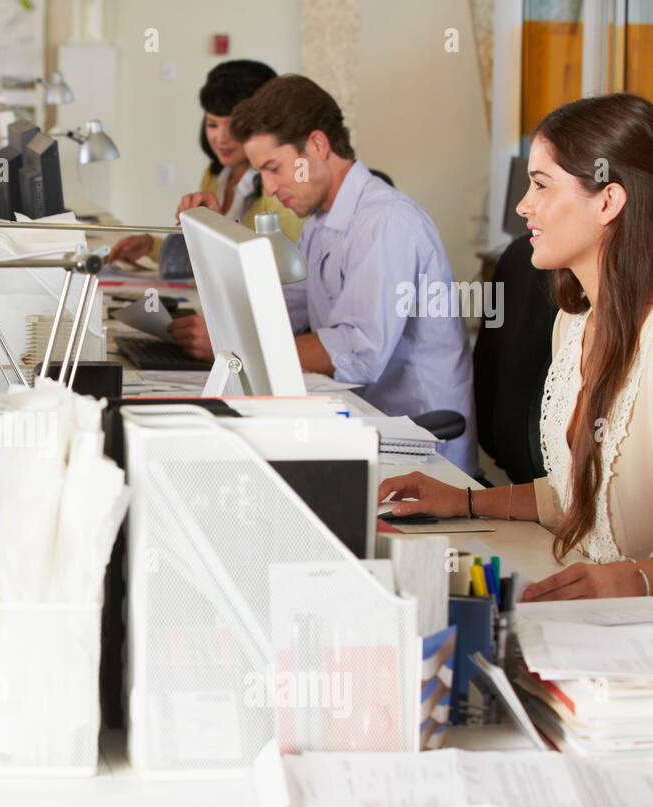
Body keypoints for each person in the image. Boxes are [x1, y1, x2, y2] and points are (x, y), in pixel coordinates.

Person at [380, 93, 653, 602]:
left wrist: (634, 578)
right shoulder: (573, 323)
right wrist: (464, 500)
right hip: (586, 606)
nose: (523, 205)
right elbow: (577, 496)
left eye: (541, 185)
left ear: (609, 202)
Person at [171, 74, 477, 473]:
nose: (269, 185)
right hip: (360, 420)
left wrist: (235, 350)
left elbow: (358, 350)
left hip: (415, 446)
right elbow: (283, 306)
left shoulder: (386, 222)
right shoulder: (321, 219)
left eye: (274, 168)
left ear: (317, 145)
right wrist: (209, 233)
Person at [107, 59, 300, 265]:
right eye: (212, 124)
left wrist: (216, 227)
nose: (221, 138)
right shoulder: (216, 173)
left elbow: (272, 268)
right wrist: (152, 246)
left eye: (233, 125)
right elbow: (204, 258)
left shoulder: (281, 186)